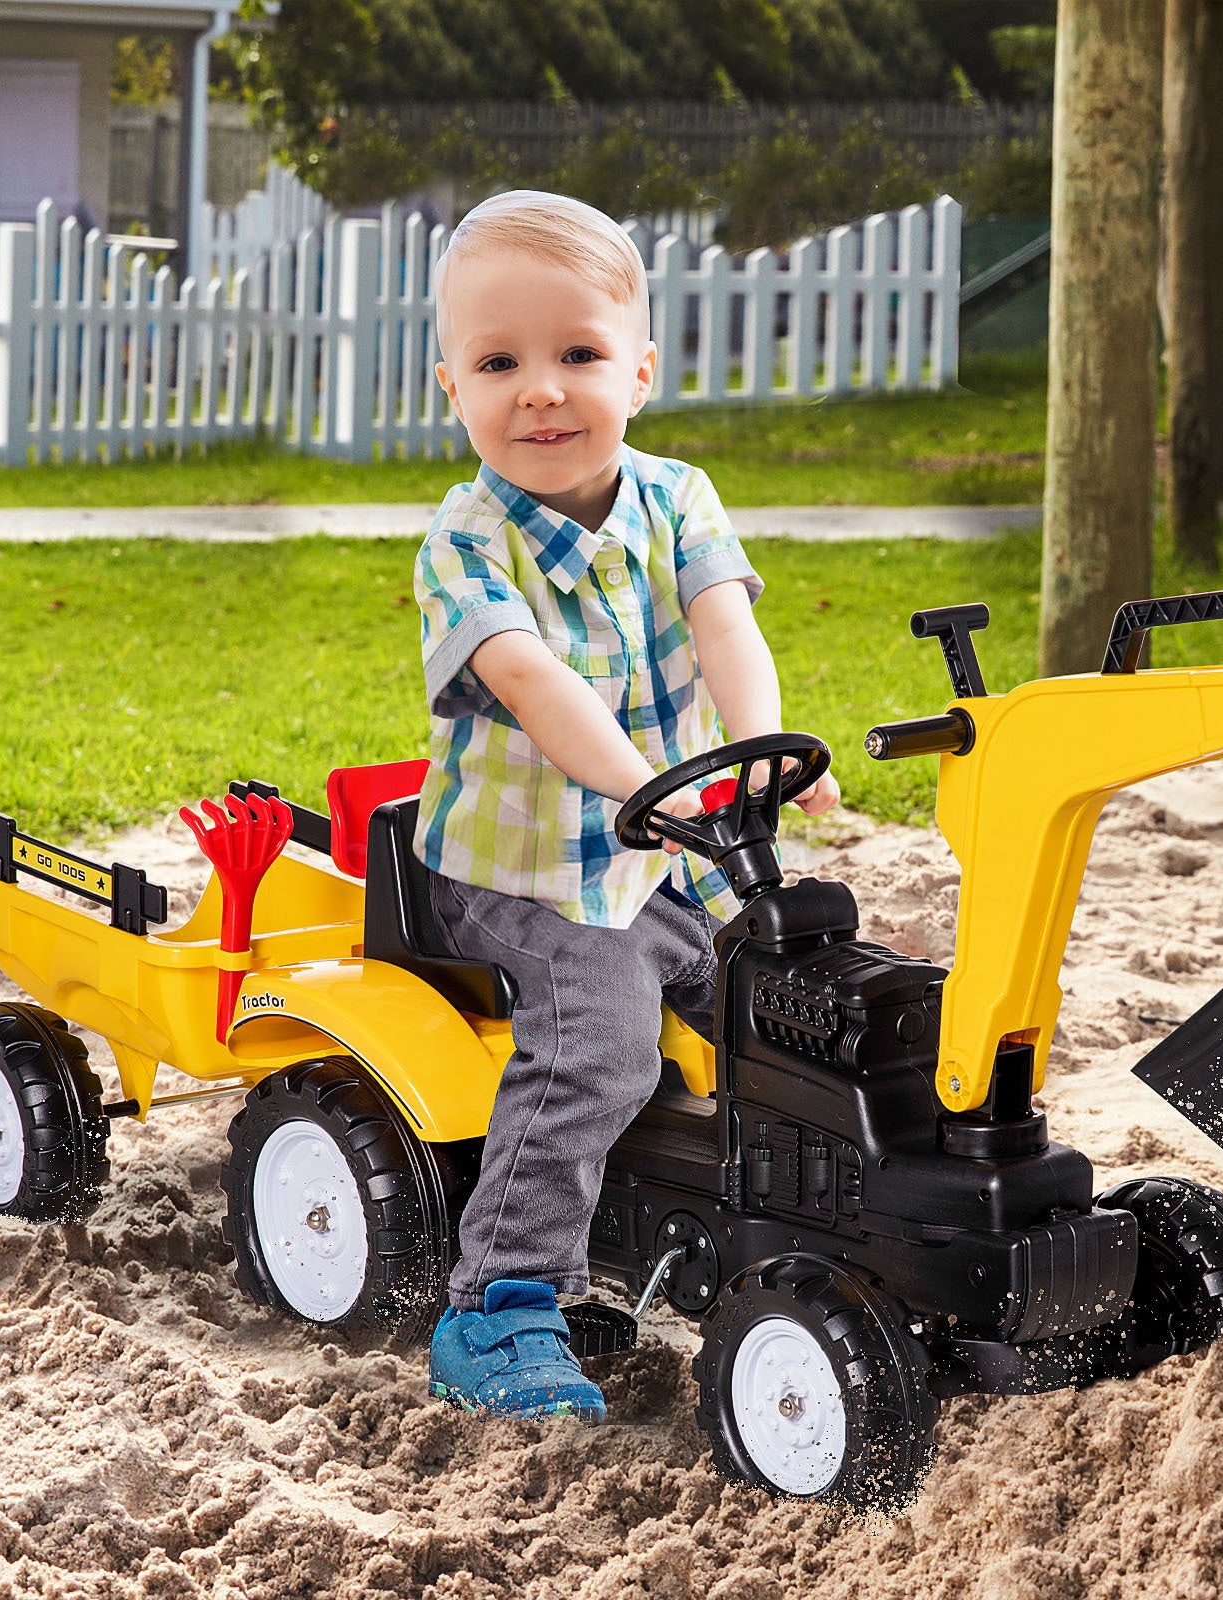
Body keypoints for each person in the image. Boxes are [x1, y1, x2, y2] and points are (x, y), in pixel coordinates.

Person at [414, 190, 839, 1422]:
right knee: (602, 1040)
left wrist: (751, 753)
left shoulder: (677, 498)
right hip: (527, 878)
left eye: (578, 355)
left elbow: (725, 624)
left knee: (804, 995)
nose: (540, 390)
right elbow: (532, 681)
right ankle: (499, 1303)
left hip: (682, 854)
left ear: (639, 370)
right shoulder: (465, 543)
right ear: (453, 388)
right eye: (499, 363)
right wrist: (644, 785)